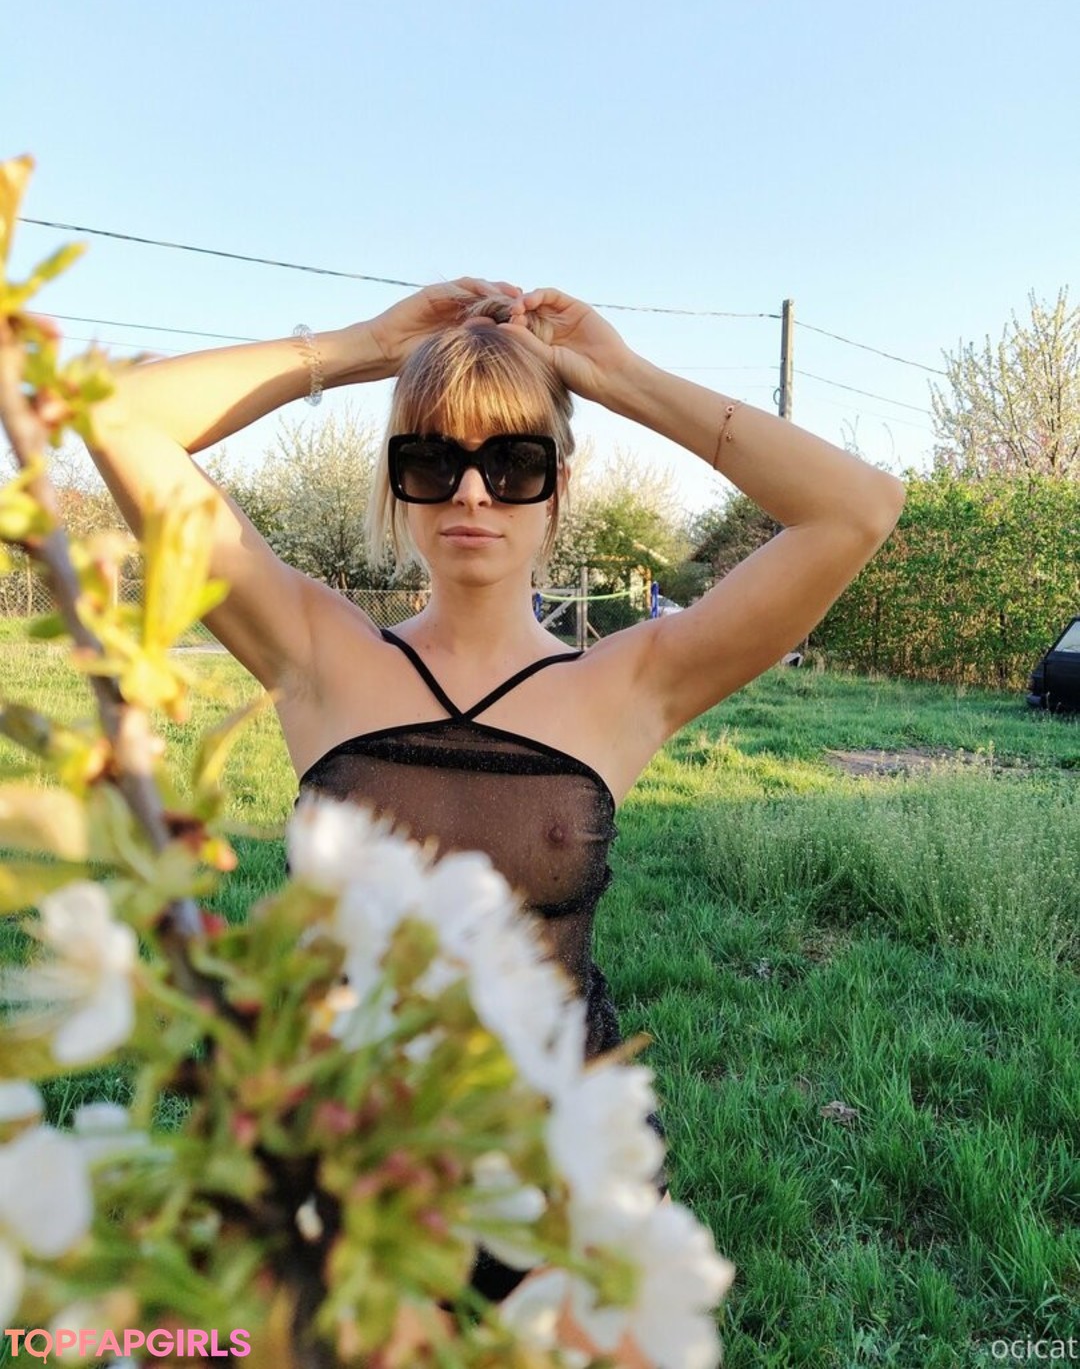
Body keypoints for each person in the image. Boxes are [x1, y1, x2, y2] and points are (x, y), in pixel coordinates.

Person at [87, 277, 905, 1366]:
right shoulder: (316, 651)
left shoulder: (630, 682)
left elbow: (858, 507)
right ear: (397, 484)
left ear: (558, 486)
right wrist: (359, 348)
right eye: (431, 460)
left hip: (560, 1164)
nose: (471, 491)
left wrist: (621, 379)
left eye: (512, 462)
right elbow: (115, 414)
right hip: (337, 1161)